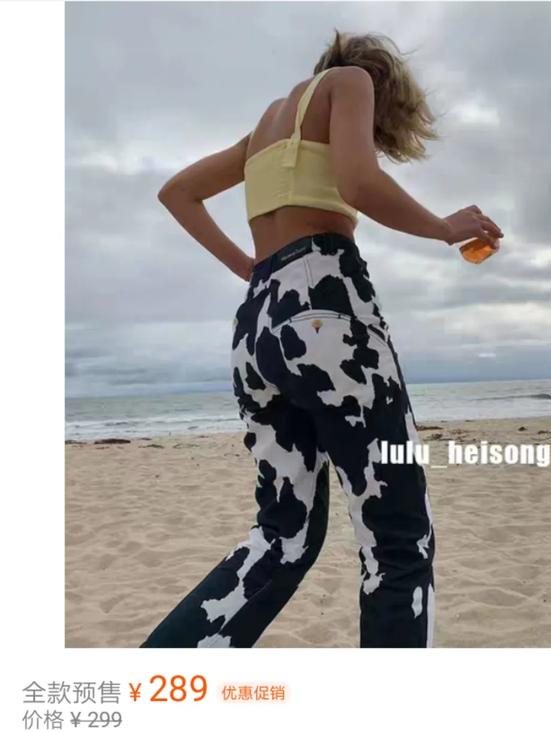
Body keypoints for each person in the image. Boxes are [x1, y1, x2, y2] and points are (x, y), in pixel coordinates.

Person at [141, 31, 503, 649]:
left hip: (258, 324)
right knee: (398, 538)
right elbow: (359, 183)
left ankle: (151, 681)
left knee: (282, 536)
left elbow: (177, 192)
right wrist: (444, 227)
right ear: (382, 81)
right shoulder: (349, 82)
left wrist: (248, 267)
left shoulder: (262, 131)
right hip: (329, 309)